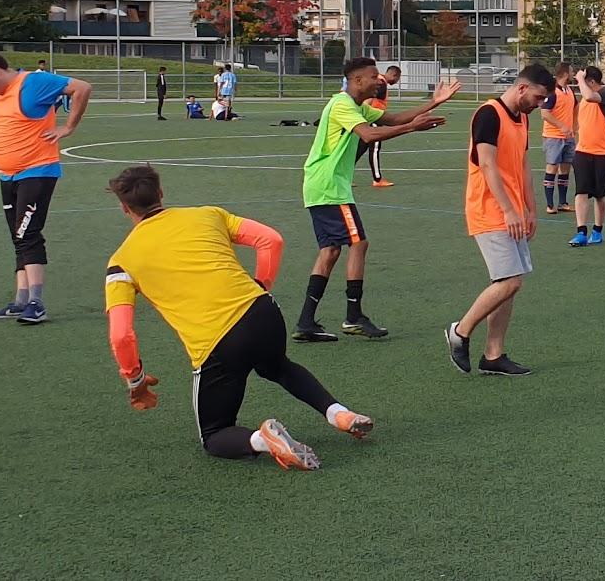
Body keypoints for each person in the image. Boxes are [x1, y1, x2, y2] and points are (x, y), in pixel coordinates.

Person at [101, 165, 372, 471]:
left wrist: (135, 380)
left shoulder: (121, 262)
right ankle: (339, 413)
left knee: (215, 436)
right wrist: (261, 285)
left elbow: (121, 335)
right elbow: (271, 240)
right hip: (263, 312)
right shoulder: (208, 214)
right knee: (278, 366)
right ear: (161, 194)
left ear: (125, 207)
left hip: (218, 342)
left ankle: (263, 440)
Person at [296, 58, 460, 343]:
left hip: (320, 186)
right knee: (358, 243)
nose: (379, 80)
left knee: (330, 251)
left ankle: (306, 321)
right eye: (374, 76)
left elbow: (393, 119)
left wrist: (434, 103)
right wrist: (413, 128)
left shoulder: (358, 106)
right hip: (330, 187)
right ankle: (353, 316)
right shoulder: (342, 105)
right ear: (357, 80)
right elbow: (370, 134)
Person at [0, 47, 92, 325]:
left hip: (36, 171)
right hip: (7, 176)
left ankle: (37, 302)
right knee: (18, 236)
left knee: (29, 233)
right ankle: (21, 300)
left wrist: (68, 127)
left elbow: (82, 88)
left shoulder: (32, 83)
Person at [444, 64, 555, 377]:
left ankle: (493, 354)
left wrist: (530, 209)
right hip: (490, 210)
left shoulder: (521, 119)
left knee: (508, 284)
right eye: (538, 96)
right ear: (522, 88)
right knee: (511, 280)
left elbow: (522, 165)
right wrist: (508, 209)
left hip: (513, 213)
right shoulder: (489, 114)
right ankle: (460, 331)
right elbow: (488, 165)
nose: (540, 104)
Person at [570, 66, 605, 247]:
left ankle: (597, 231)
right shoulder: (584, 96)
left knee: (599, 195)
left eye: (583, 81)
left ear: (591, 82)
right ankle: (581, 232)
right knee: (581, 191)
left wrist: (580, 79)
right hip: (583, 151)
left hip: (604, 153)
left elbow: (590, 97)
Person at [354, 65, 401, 188]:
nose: (396, 82)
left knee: (359, 150)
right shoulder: (381, 83)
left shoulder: (378, 80)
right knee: (374, 149)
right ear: (394, 75)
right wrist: (362, 115)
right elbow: (369, 99)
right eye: (397, 78)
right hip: (374, 119)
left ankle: (342, 175)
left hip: (371, 117)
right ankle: (377, 179)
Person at [540, 61, 576, 215]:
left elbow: (576, 108)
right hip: (553, 137)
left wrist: (574, 127)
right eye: (572, 72)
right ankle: (549, 204)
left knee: (565, 169)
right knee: (552, 168)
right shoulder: (552, 92)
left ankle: (563, 202)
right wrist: (561, 126)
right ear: (566, 74)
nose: (574, 74)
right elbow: (545, 113)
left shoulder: (569, 91)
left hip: (568, 137)